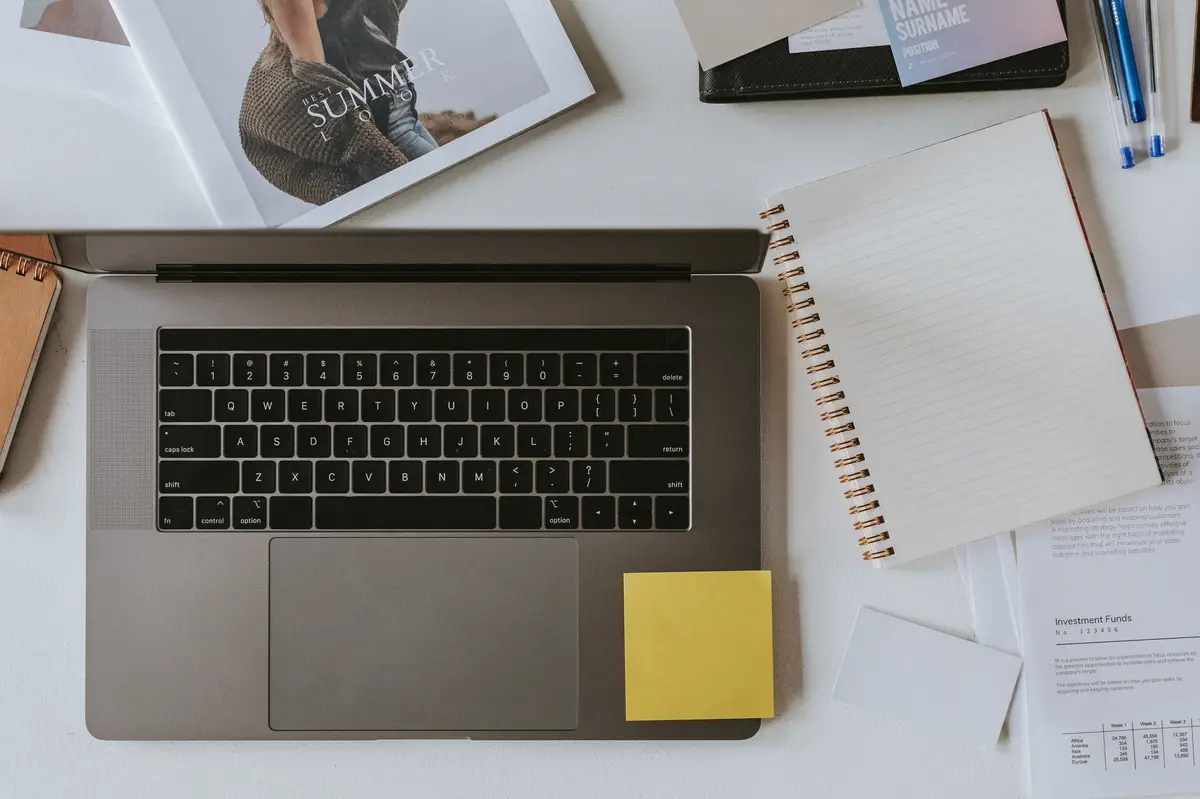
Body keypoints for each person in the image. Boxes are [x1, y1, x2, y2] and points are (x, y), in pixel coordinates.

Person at [239, 0, 435, 206]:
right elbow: (317, 74)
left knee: (452, 184)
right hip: (383, 112)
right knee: (447, 191)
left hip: (396, 99)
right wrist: (365, 142)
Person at [264, 0, 438, 159]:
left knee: (407, 143)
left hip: (372, 86)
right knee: (413, 137)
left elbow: (317, 71)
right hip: (383, 74)